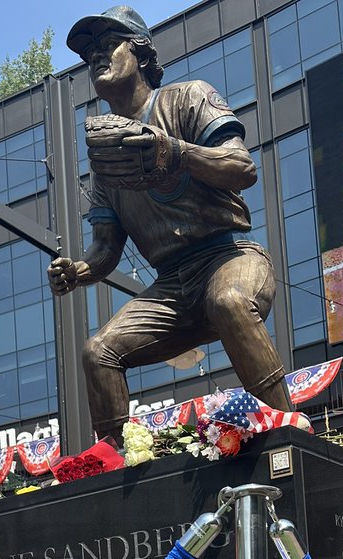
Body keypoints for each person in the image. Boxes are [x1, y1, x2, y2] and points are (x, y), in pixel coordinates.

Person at [49, 6, 309, 444]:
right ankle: (114, 460)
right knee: (98, 352)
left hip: (228, 256)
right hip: (171, 285)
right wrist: (78, 271)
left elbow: (241, 166)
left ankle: (289, 429)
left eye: (109, 44)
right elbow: (106, 248)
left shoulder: (188, 97)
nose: (96, 55)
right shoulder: (105, 162)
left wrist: (173, 150)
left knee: (227, 302)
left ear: (143, 54)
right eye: (88, 52)